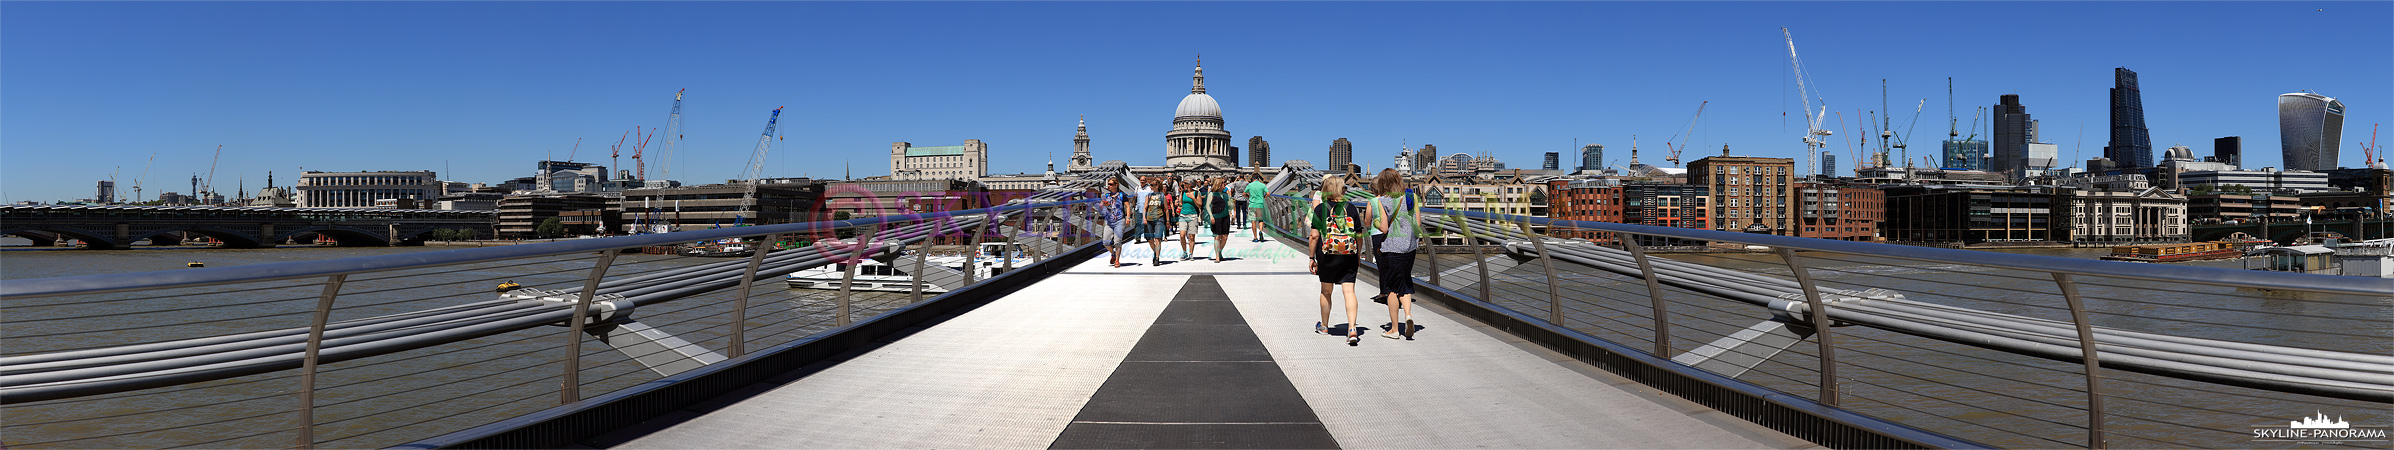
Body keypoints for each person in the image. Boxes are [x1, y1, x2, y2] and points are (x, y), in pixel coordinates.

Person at [1310, 175, 1366, 345]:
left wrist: (1312, 257)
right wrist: (1358, 254)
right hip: (1348, 254)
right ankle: (1352, 329)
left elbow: (1314, 236)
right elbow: (1359, 235)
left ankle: (1325, 326)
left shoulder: (1320, 209)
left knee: (1326, 291)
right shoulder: (1351, 208)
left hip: (1326, 255)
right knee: (1349, 291)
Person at [1368, 169, 1423, 339]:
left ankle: (1394, 329)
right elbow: (1418, 225)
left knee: (1391, 288)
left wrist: (1375, 221)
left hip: (1391, 248)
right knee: (1404, 283)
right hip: (1410, 248)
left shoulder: (1382, 201)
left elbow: (1383, 227)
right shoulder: (1411, 197)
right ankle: (1408, 315)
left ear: (1382, 184)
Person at [1138, 177, 1169, 266]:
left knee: (1157, 238)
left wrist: (1167, 221)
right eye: (1150, 185)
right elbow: (1145, 207)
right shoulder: (1149, 196)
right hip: (1149, 219)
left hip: (1159, 218)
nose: (1151, 187)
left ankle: (1157, 258)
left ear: (1157, 186)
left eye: (1152, 185)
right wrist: (1144, 218)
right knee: (1150, 239)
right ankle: (1155, 252)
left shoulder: (1162, 196)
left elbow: (1166, 209)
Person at [1099, 180, 1128, 268]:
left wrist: (1128, 218)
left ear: (1116, 185)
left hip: (1120, 220)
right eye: (1109, 184)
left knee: (1117, 242)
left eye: (1111, 184)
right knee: (1106, 242)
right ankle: (1113, 253)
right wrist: (1104, 204)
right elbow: (1100, 206)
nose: (1109, 186)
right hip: (1109, 221)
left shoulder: (1122, 195)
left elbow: (1128, 206)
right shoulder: (1107, 195)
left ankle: (1117, 260)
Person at [1207, 178, 1235, 262]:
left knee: (1225, 237)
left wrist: (1230, 200)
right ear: (1219, 184)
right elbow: (1207, 206)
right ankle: (1217, 256)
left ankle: (1220, 252)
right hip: (1216, 217)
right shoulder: (1212, 194)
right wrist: (1211, 216)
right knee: (1217, 237)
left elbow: (1230, 206)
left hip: (1225, 216)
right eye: (1223, 183)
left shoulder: (1226, 194)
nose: (1225, 184)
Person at [1177, 177, 1203, 260]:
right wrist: (1178, 205)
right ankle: (1184, 252)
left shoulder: (1196, 193)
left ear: (1190, 184)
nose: (1183, 184)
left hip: (1193, 216)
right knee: (1182, 235)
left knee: (1191, 237)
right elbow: (1181, 203)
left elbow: (1199, 205)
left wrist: (1193, 198)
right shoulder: (1183, 192)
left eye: (1185, 183)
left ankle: (1191, 253)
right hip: (1183, 215)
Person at [1245, 172, 1270, 242]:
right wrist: (1263, 197)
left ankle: (1255, 237)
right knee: (1260, 220)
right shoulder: (1262, 185)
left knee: (1253, 221)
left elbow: (1244, 194)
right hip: (1260, 204)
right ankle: (1261, 231)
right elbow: (1268, 193)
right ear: (1258, 178)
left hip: (1252, 205)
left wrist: (1248, 196)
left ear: (1253, 178)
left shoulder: (1250, 185)